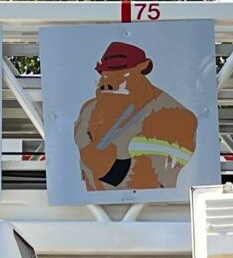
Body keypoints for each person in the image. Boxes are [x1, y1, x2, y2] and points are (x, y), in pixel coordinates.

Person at [73, 41, 199, 192]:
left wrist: (118, 149)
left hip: (150, 204)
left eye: (122, 73)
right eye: (105, 74)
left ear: (141, 70)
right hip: (94, 201)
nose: (108, 82)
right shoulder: (89, 109)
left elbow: (142, 175)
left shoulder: (175, 115)